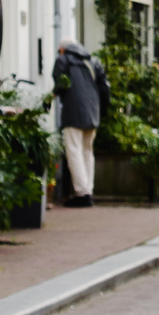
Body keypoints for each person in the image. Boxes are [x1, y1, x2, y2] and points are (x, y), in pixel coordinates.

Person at [52, 40, 110, 208]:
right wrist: (101, 110)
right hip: (93, 111)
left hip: (73, 111)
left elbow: (60, 83)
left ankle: (81, 193)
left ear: (62, 49)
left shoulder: (63, 59)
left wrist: (52, 96)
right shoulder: (92, 61)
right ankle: (88, 191)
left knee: (73, 149)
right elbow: (104, 87)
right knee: (87, 151)